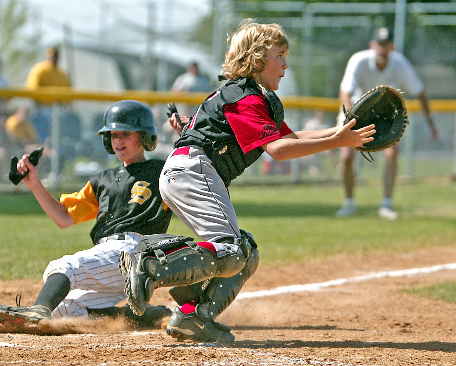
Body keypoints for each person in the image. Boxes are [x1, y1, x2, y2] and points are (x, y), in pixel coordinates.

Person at [123, 20, 376, 343]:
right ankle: (152, 263)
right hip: (193, 171)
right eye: (279, 55)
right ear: (257, 59)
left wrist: (344, 133)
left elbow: (292, 136)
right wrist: (338, 142)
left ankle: (192, 315)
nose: (285, 65)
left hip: (188, 172)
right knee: (230, 250)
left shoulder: (253, 96)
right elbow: (280, 151)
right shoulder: (245, 97)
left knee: (245, 251)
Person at [0, 100, 178, 333]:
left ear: (144, 136)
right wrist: (34, 184)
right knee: (63, 310)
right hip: (109, 258)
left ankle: (36, 311)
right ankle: (148, 316)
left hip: (136, 252)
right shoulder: (103, 179)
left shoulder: (161, 171)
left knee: (64, 266)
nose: (118, 140)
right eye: (113, 134)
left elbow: (188, 167)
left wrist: (183, 137)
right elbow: (63, 217)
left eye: (126, 133)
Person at [335, 27, 438, 220]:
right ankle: (349, 202)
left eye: (386, 44)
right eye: (379, 44)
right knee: (347, 156)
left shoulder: (399, 63)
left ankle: (386, 204)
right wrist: (351, 120)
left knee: (392, 153)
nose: (383, 48)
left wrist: (430, 122)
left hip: (383, 116)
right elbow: (345, 92)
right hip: (354, 111)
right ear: (372, 45)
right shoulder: (359, 60)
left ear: (392, 46)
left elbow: (420, 91)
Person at [26, 45, 71, 143]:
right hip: (43, 108)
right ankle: (44, 145)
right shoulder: (40, 69)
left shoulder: (62, 73)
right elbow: (32, 89)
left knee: (67, 120)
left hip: (59, 108)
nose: (53, 58)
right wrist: (38, 105)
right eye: (51, 55)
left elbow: (69, 94)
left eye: (55, 55)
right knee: (47, 123)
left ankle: (60, 146)